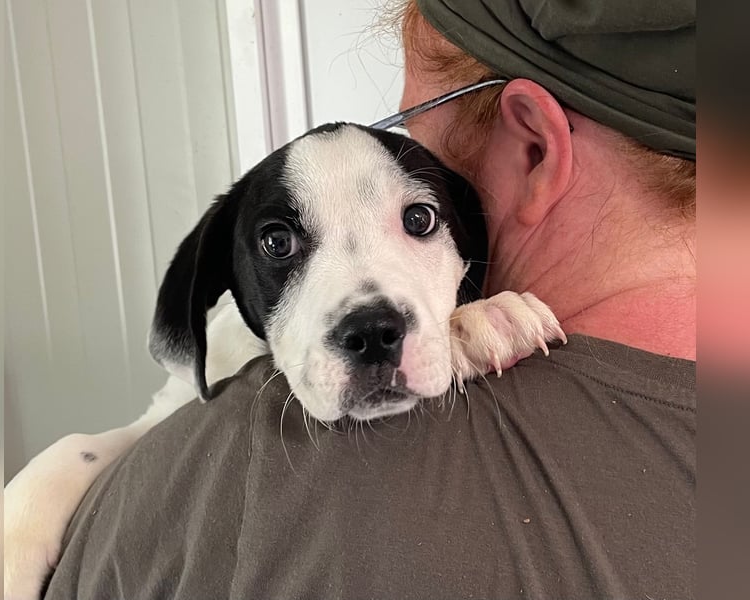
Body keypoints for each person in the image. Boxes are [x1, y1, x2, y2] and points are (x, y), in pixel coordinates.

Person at [45, 0, 695, 598]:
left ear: (531, 148)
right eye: (279, 242)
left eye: (418, 218)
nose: (370, 306)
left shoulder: (206, 492)